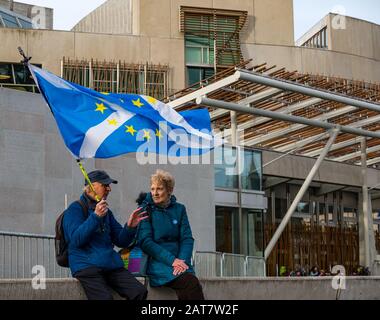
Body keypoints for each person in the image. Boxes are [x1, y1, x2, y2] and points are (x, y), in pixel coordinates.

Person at [63, 169, 148, 300]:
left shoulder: (106, 212)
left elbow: (121, 240)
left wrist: (130, 226)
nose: (109, 189)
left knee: (139, 291)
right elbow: (75, 240)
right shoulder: (75, 209)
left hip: (110, 265)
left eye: (109, 185)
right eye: (105, 185)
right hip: (86, 266)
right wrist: (95, 217)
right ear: (91, 187)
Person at [137, 169, 205, 300]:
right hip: (158, 262)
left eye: (159, 189)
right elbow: (146, 242)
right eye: (152, 189)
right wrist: (172, 261)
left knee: (189, 283)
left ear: (170, 190)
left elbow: (187, 238)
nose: (155, 193)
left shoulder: (180, 209)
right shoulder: (145, 210)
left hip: (179, 262)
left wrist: (182, 261)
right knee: (190, 283)